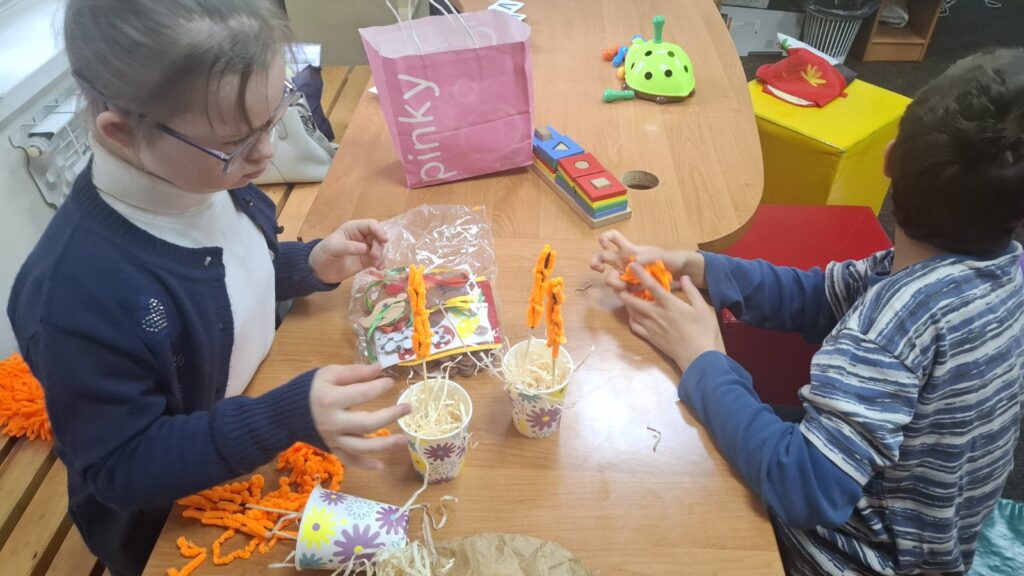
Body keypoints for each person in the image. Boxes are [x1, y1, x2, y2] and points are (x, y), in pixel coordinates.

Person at [7, 1, 410, 573]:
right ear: (121, 132)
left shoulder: (199, 177)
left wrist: (308, 264)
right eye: (236, 140)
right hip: (167, 517)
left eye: (274, 115)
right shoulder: (75, 299)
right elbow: (122, 469)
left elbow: (221, 274)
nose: (267, 152)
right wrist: (278, 418)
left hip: (251, 421)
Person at [591, 48, 1024, 575]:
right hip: (926, 525)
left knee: (651, 485)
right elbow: (820, 295)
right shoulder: (1003, 268)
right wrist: (700, 267)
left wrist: (700, 355)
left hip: (851, 559)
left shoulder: (891, 327)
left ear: (889, 160)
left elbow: (803, 488)